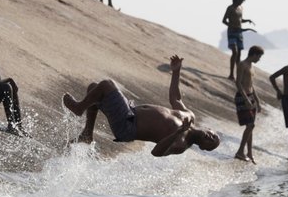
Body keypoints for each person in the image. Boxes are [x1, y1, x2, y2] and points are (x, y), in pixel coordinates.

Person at [62, 55, 221, 157]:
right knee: (94, 89)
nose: (210, 138)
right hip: (130, 111)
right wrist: (176, 72)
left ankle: (79, 108)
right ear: (209, 129)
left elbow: (156, 152)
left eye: (211, 143)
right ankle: (87, 134)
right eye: (213, 135)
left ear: (203, 148)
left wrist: (177, 132)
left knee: (106, 85)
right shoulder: (189, 116)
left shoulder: (182, 143)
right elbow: (175, 97)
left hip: (128, 127)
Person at [234, 45, 264, 163]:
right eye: (259, 57)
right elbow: (238, 83)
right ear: (254, 54)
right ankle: (240, 152)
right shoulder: (242, 64)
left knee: (250, 126)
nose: (259, 59)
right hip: (243, 97)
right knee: (250, 125)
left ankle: (249, 154)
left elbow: (251, 85)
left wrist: (257, 100)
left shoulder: (252, 67)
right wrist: (245, 98)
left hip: (250, 97)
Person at [222, 0, 254, 80]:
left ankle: (238, 74)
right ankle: (231, 74)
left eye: (242, 1)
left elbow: (240, 19)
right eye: (241, 0)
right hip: (232, 32)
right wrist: (232, 26)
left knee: (239, 54)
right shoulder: (230, 8)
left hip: (239, 33)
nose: (241, 2)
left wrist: (247, 20)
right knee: (235, 52)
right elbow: (224, 20)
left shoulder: (241, 8)